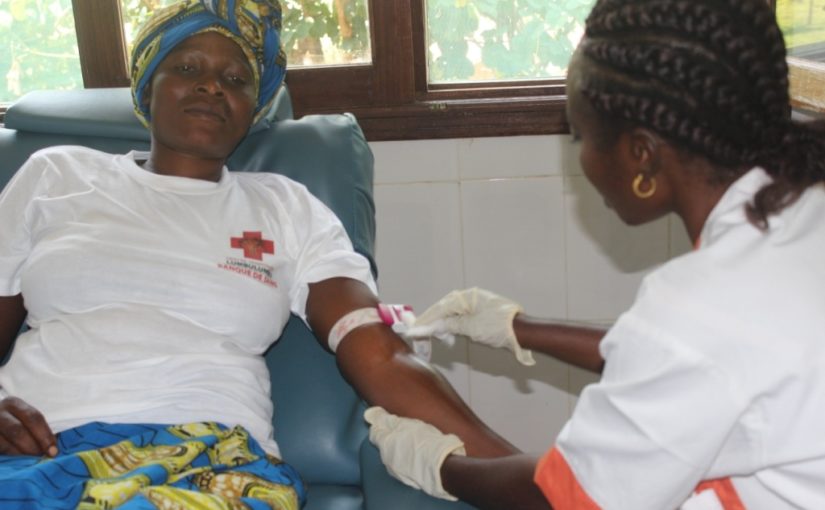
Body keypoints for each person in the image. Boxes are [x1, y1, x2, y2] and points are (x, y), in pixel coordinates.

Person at [0, 0, 516, 507]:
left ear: (253, 108)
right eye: (186, 68)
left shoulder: (285, 207)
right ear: (147, 86)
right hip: (37, 452)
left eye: (236, 79)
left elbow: (377, 350)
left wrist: (521, 473)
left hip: (208, 465)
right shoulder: (57, 176)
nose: (212, 87)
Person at [364, 0, 825, 508]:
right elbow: (686, 361)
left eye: (580, 136)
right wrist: (516, 327)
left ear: (642, 155)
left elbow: (564, 497)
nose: (578, 157)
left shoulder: (701, 303)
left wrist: (436, 464)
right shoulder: (801, 205)